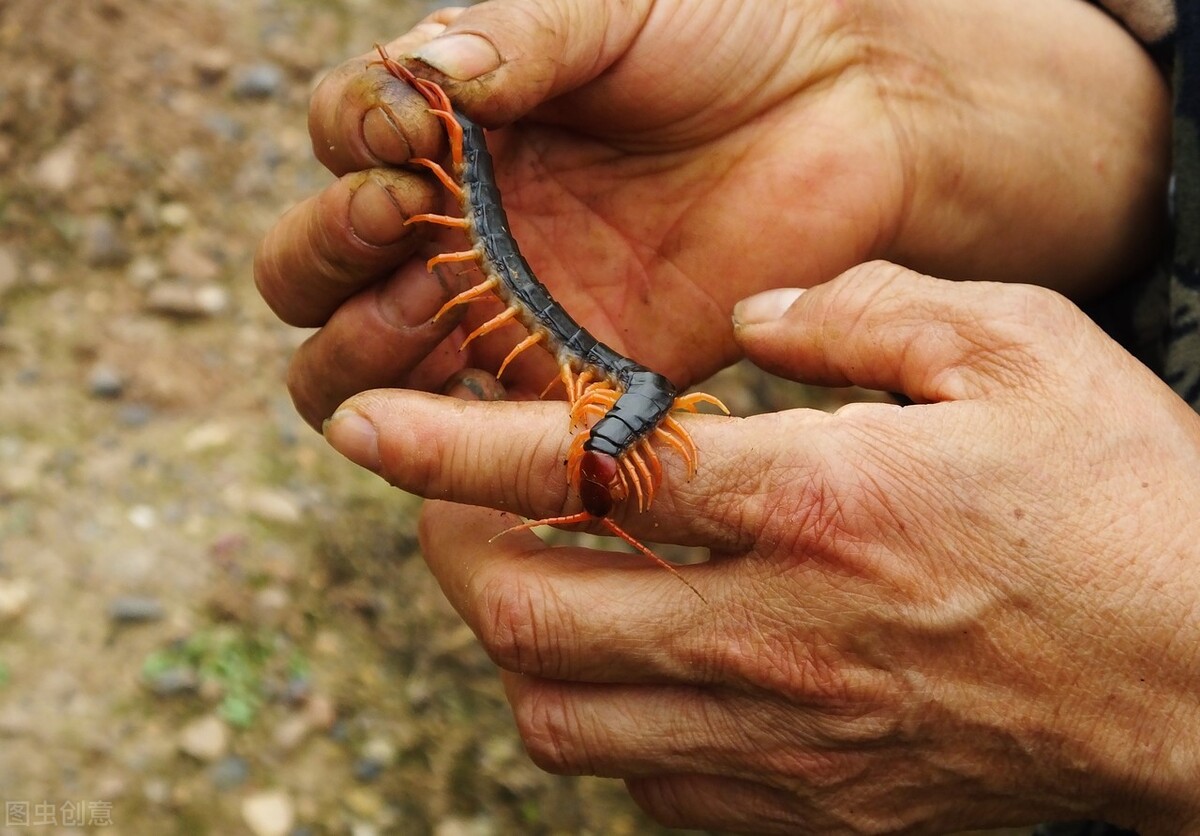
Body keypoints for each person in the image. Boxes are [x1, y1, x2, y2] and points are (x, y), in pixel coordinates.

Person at [255, 1, 1200, 832]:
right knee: (449, 231)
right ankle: (447, 121)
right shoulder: (624, 387)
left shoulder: (619, 405)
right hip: (543, 279)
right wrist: (899, 98)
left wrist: (1173, 699)